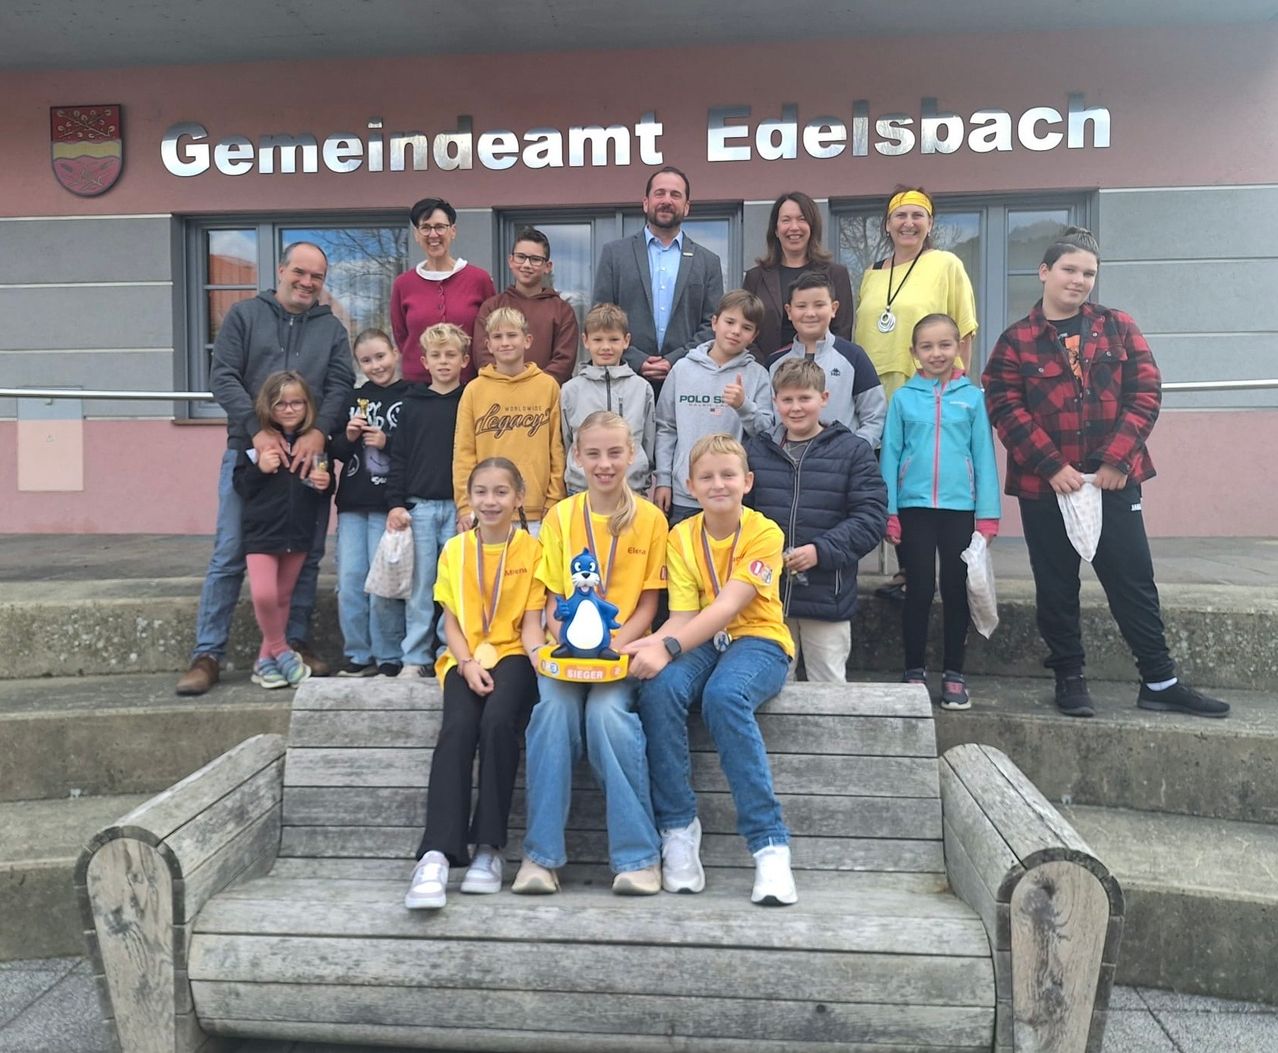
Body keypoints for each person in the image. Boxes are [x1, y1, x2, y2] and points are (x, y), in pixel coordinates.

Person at [983, 228, 1230, 720]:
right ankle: (1069, 679)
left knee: (1133, 580)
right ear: (1045, 272)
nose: (1079, 280)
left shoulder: (1119, 327)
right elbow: (1005, 407)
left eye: (1089, 273)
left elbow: (1146, 392)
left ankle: (1159, 680)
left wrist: (1118, 459)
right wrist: (1053, 466)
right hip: (1045, 485)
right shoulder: (1016, 341)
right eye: (1070, 270)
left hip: (1116, 480)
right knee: (1056, 586)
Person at [623, 433, 797, 907]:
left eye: (727, 475)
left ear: (748, 481)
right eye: (707, 477)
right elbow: (682, 615)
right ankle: (678, 828)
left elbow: (728, 606)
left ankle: (769, 844)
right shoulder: (681, 535)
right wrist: (646, 644)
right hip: (701, 640)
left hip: (758, 641)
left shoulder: (765, 532)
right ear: (689, 486)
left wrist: (671, 643)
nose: (718, 484)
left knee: (724, 696)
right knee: (658, 688)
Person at [177, 242, 354, 696]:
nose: (307, 282)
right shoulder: (243, 317)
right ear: (281, 270)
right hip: (249, 451)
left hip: (307, 454)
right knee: (230, 553)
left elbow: (339, 385)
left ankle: (290, 643)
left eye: (316, 276)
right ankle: (208, 653)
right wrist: (257, 430)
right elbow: (223, 377)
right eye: (299, 272)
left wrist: (320, 434)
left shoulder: (331, 328)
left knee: (306, 554)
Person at [515, 412, 667, 896]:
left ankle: (638, 857)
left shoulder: (650, 519)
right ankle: (540, 858)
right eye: (594, 454)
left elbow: (647, 602)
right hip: (568, 649)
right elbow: (554, 598)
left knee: (608, 717)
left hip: (619, 653)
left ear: (633, 455)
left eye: (615, 453)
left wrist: (614, 646)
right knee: (553, 712)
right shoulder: (562, 517)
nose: (604, 465)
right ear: (577, 457)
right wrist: (556, 644)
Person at [404, 458, 546, 910]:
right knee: (459, 728)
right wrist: (464, 662)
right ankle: (437, 853)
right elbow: (450, 618)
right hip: (463, 657)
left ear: (519, 498)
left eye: (501, 492)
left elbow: (530, 622)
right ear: (469, 497)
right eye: (481, 491)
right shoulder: (455, 550)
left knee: (499, 723)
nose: (491, 501)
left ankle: (489, 847)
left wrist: (539, 659)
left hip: (513, 655)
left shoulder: (533, 551)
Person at [854, 186, 978, 601]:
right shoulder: (872, 274)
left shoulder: (946, 264)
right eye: (900, 216)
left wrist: (957, 386)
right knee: (891, 479)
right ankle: (909, 572)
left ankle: (928, 575)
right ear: (887, 224)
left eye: (917, 216)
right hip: (878, 392)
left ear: (930, 223)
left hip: (927, 389)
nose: (908, 223)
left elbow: (964, 330)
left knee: (921, 474)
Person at [881, 314, 1000, 710]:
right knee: (918, 589)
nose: (936, 353)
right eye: (927, 346)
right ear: (914, 353)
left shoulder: (972, 398)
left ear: (958, 348)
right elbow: (891, 456)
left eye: (945, 345)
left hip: (959, 510)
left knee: (955, 589)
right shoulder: (902, 399)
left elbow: (983, 455)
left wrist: (988, 514)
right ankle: (913, 669)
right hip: (914, 509)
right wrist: (889, 509)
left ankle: (954, 672)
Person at [745, 359, 887, 682]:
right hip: (768, 597)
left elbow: (870, 518)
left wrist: (820, 551)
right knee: (772, 687)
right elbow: (742, 516)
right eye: (787, 399)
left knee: (829, 688)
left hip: (827, 596)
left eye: (804, 398)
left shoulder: (853, 451)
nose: (796, 408)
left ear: (823, 398)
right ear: (775, 401)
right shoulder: (756, 452)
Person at [232, 371, 333, 690]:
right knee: (264, 594)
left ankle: (264, 662)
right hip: (262, 532)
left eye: (296, 403)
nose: (289, 410)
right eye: (280, 404)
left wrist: (324, 484)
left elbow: (322, 485)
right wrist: (260, 470)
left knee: (284, 596)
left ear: (307, 406)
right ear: (268, 406)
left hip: (298, 532)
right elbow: (240, 485)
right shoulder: (255, 441)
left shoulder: (315, 444)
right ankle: (279, 649)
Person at [386, 323, 469, 679]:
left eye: (451, 355)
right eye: (436, 356)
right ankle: (415, 655)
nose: (444, 362)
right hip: (419, 508)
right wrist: (396, 503)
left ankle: (448, 650)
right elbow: (398, 458)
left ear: (464, 360)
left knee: (454, 586)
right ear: (424, 361)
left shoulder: (470, 401)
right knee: (420, 586)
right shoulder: (411, 405)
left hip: (458, 508)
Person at [592, 166, 725, 384]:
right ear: (646, 203)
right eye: (660, 193)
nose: (667, 200)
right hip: (624, 377)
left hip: (686, 379)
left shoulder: (708, 262)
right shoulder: (615, 254)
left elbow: (711, 325)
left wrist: (674, 360)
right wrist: (637, 359)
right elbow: (600, 318)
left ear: (687, 206)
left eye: (675, 195)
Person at [654, 290, 773, 524]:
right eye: (730, 322)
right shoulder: (682, 369)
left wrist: (744, 406)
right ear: (715, 322)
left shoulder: (758, 375)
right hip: (684, 494)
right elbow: (666, 428)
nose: (736, 331)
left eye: (746, 327)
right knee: (683, 559)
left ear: (754, 335)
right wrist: (664, 480)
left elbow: (767, 431)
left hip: (730, 496)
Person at [330, 329, 409, 678]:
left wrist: (387, 441)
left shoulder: (410, 396)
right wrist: (347, 438)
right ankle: (357, 653)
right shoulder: (352, 398)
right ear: (358, 364)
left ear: (395, 353)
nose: (375, 365)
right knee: (350, 579)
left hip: (387, 504)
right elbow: (334, 451)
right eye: (366, 360)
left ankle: (388, 653)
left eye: (380, 356)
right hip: (352, 503)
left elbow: (416, 449)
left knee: (383, 583)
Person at [453, 307, 565, 538]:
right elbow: (464, 453)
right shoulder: (475, 390)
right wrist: (466, 505)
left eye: (512, 335)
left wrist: (554, 500)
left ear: (527, 340)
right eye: (497, 337)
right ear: (488, 344)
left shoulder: (547, 387)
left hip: (537, 512)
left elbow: (557, 449)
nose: (505, 343)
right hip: (487, 509)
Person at [767, 270, 885, 448]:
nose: (810, 313)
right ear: (789, 311)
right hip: (787, 465)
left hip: (840, 467)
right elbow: (766, 419)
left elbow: (875, 415)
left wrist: (854, 451)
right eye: (801, 306)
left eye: (819, 305)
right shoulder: (774, 363)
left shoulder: (854, 357)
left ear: (834, 308)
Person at [391, 197, 496, 386]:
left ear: (452, 231)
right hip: (417, 388)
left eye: (440, 227)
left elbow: (491, 331)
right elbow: (401, 336)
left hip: (470, 386)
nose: (433, 234)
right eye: (426, 227)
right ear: (416, 234)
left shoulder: (479, 279)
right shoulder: (403, 284)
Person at [743, 191, 855, 361]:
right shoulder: (755, 278)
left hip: (822, 375)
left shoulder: (836, 274)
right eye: (786, 220)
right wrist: (766, 368)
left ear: (812, 226)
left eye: (801, 219)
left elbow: (842, 332)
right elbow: (746, 329)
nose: (794, 227)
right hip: (768, 375)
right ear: (776, 229)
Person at [559, 303, 655, 496]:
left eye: (613, 340)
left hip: (632, 489)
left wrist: (642, 472)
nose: (605, 347)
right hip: (582, 490)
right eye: (598, 339)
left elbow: (648, 440)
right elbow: (567, 440)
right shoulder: (570, 390)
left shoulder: (641, 388)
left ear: (626, 341)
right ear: (585, 341)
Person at [474, 226, 580, 384]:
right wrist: (507, 385)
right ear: (511, 261)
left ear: (547, 267)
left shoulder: (562, 310)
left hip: (543, 400)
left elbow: (564, 361)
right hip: (499, 395)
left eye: (535, 259)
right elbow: (483, 355)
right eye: (521, 257)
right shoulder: (492, 307)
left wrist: (532, 389)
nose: (527, 265)